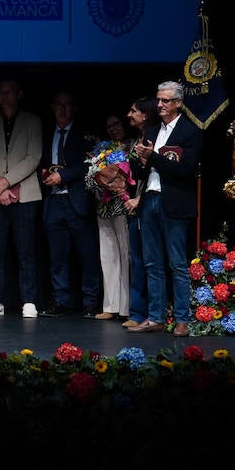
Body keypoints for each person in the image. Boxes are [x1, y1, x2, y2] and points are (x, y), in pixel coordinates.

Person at [128, 80, 203, 336]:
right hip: (149, 199)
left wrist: (153, 157)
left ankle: (182, 319)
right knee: (152, 263)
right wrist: (140, 161)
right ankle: (155, 318)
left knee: (177, 264)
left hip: (174, 204)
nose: (159, 104)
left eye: (165, 100)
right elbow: (141, 172)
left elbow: (186, 171)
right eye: (158, 99)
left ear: (178, 103)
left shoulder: (189, 132)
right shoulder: (151, 131)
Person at [0, 78, 43, 318]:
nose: (5, 96)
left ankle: (29, 300)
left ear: (19, 94)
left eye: (9, 92)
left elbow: (33, 157)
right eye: (1, 92)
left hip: (25, 194)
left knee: (26, 250)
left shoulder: (33, 121)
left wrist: (7, 181)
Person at [38, 90, 103, 317]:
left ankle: (90, 302)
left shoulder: (85, 133)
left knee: (87, 255)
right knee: (57, 257)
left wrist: (63, 176)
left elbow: (90, 162)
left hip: (78, 201)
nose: (63, 109)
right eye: (58, 104)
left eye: (67, 105)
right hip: (53, 201)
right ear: (52, 107)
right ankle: (60, 300)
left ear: (74, 108)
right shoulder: (46, 133)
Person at [83, 111, 132, 322]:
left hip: (123, 206)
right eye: (109, 126)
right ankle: (110, 306)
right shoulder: (101, 150)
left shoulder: (132, 147)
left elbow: (133, 176)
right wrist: (101, 181)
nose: (114, 129)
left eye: (116, 124)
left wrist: (118, 185)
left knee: (126, 255)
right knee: (108, 256)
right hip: (103, 208)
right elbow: (89, 179)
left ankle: (127, 307)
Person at [121, 97, 158, 328]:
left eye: (133, 111)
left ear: (145, 115)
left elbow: (156, 178)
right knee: (136, 259)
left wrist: (140, 199)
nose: (129, 115)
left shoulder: (154, 138)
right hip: (135, 209)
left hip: (149, 206)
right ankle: (136, 313)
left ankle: (153, 313)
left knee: (150, 262)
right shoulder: (137, 140)